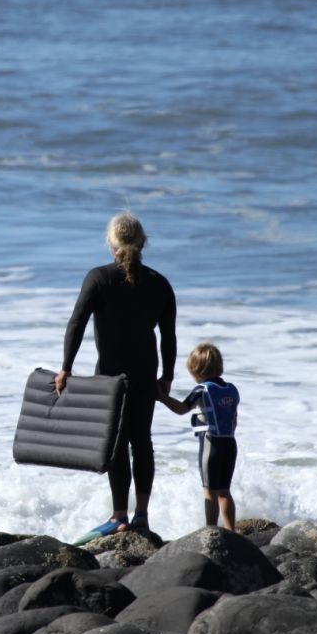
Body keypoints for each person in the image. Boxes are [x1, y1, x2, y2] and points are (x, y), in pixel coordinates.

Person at [56, 212, 177, 537]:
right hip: (145, 373)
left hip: (110, 377)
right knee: (143, 441)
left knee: (117, 445)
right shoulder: (160, 284)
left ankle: (119, 515)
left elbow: (76, 323)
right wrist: (167, 375)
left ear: (111, 243)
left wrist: (66, 366)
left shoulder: (98, 278)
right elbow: (168, 336)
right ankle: (141, 517)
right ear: (143, 242)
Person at [157, 342, 239, 531]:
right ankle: (231, 530)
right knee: (225, 492)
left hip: (211, 444)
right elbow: (234, 419)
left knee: (210, 492)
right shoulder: (232, 389)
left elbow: (182, 409)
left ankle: (211, 530)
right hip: (230, 444)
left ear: (196, 370)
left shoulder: (202, 390)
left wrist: (162, 397)